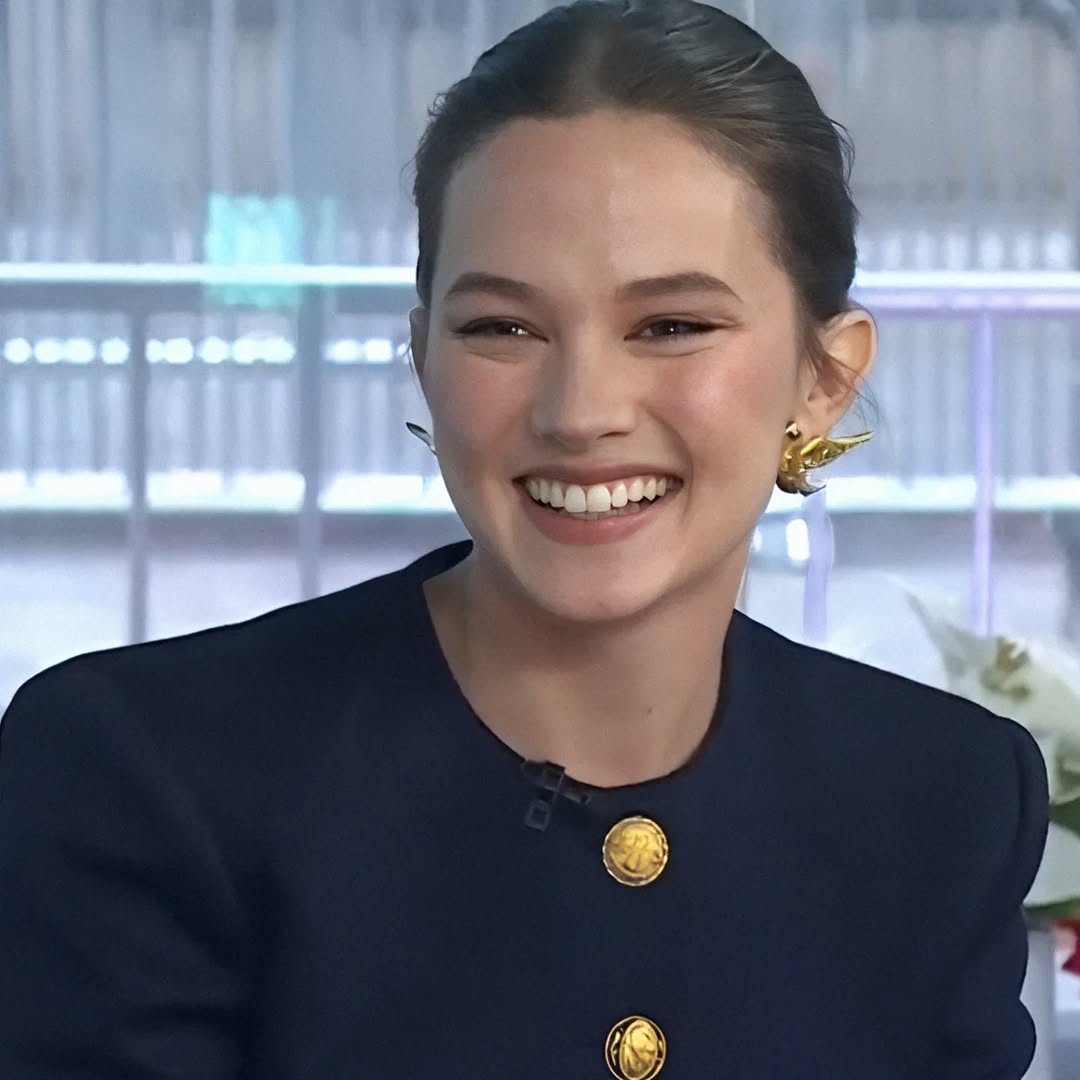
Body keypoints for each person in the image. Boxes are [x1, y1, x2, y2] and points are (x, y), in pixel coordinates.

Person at [0, 2, 1049, 1077]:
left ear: (824, 379)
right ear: (423, 358)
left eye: (671, 327)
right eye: (501, 327)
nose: (580, 411)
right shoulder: (144, 772)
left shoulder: (942, 800)